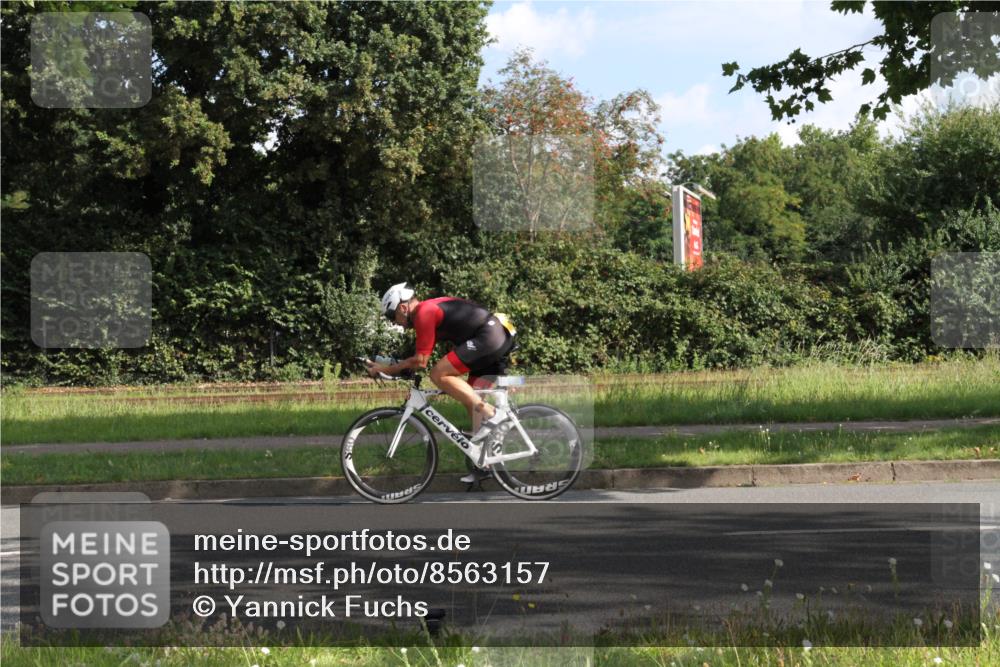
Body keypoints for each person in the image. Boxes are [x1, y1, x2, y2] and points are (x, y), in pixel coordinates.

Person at [367, 283, 517, 482]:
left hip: (489, 336)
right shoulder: (426, 312)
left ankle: (493, 414)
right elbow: (416, 357)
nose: (394, 322)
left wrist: (385, 370)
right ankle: (484, 463)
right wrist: (389, 365)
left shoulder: (423, 313)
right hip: (494, 335)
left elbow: (421, 362)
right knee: (471, 400)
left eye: (392, 316)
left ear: (403, 307)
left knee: (438, 374)